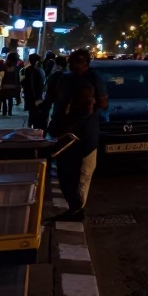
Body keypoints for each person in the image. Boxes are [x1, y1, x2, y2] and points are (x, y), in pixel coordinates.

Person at [49, 85, 98, 221]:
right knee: (70, 181)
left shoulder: (85, 113)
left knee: (79, 182)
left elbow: (58, 129)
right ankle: (74, 209)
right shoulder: (74, 111)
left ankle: (76, 210)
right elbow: (55, 128)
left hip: (83, 151)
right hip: (70, 152)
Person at [22, 54, 46, 129]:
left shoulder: (31, 69)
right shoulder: (35, 69)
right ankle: (32, 125)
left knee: (33, 111)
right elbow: (32, 83)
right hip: (36, 94)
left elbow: (30, 83)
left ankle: (32, 125)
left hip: (34, 94)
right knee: (34, 111)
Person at [0, 53, 21, 117]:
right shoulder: (16, 68)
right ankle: (10, 112)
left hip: (4, 86)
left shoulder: (3, 66)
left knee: (4, 99)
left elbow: (0, 76)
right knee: (10, 100)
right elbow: (17, 79)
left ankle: (4, 111)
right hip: (12, 86)